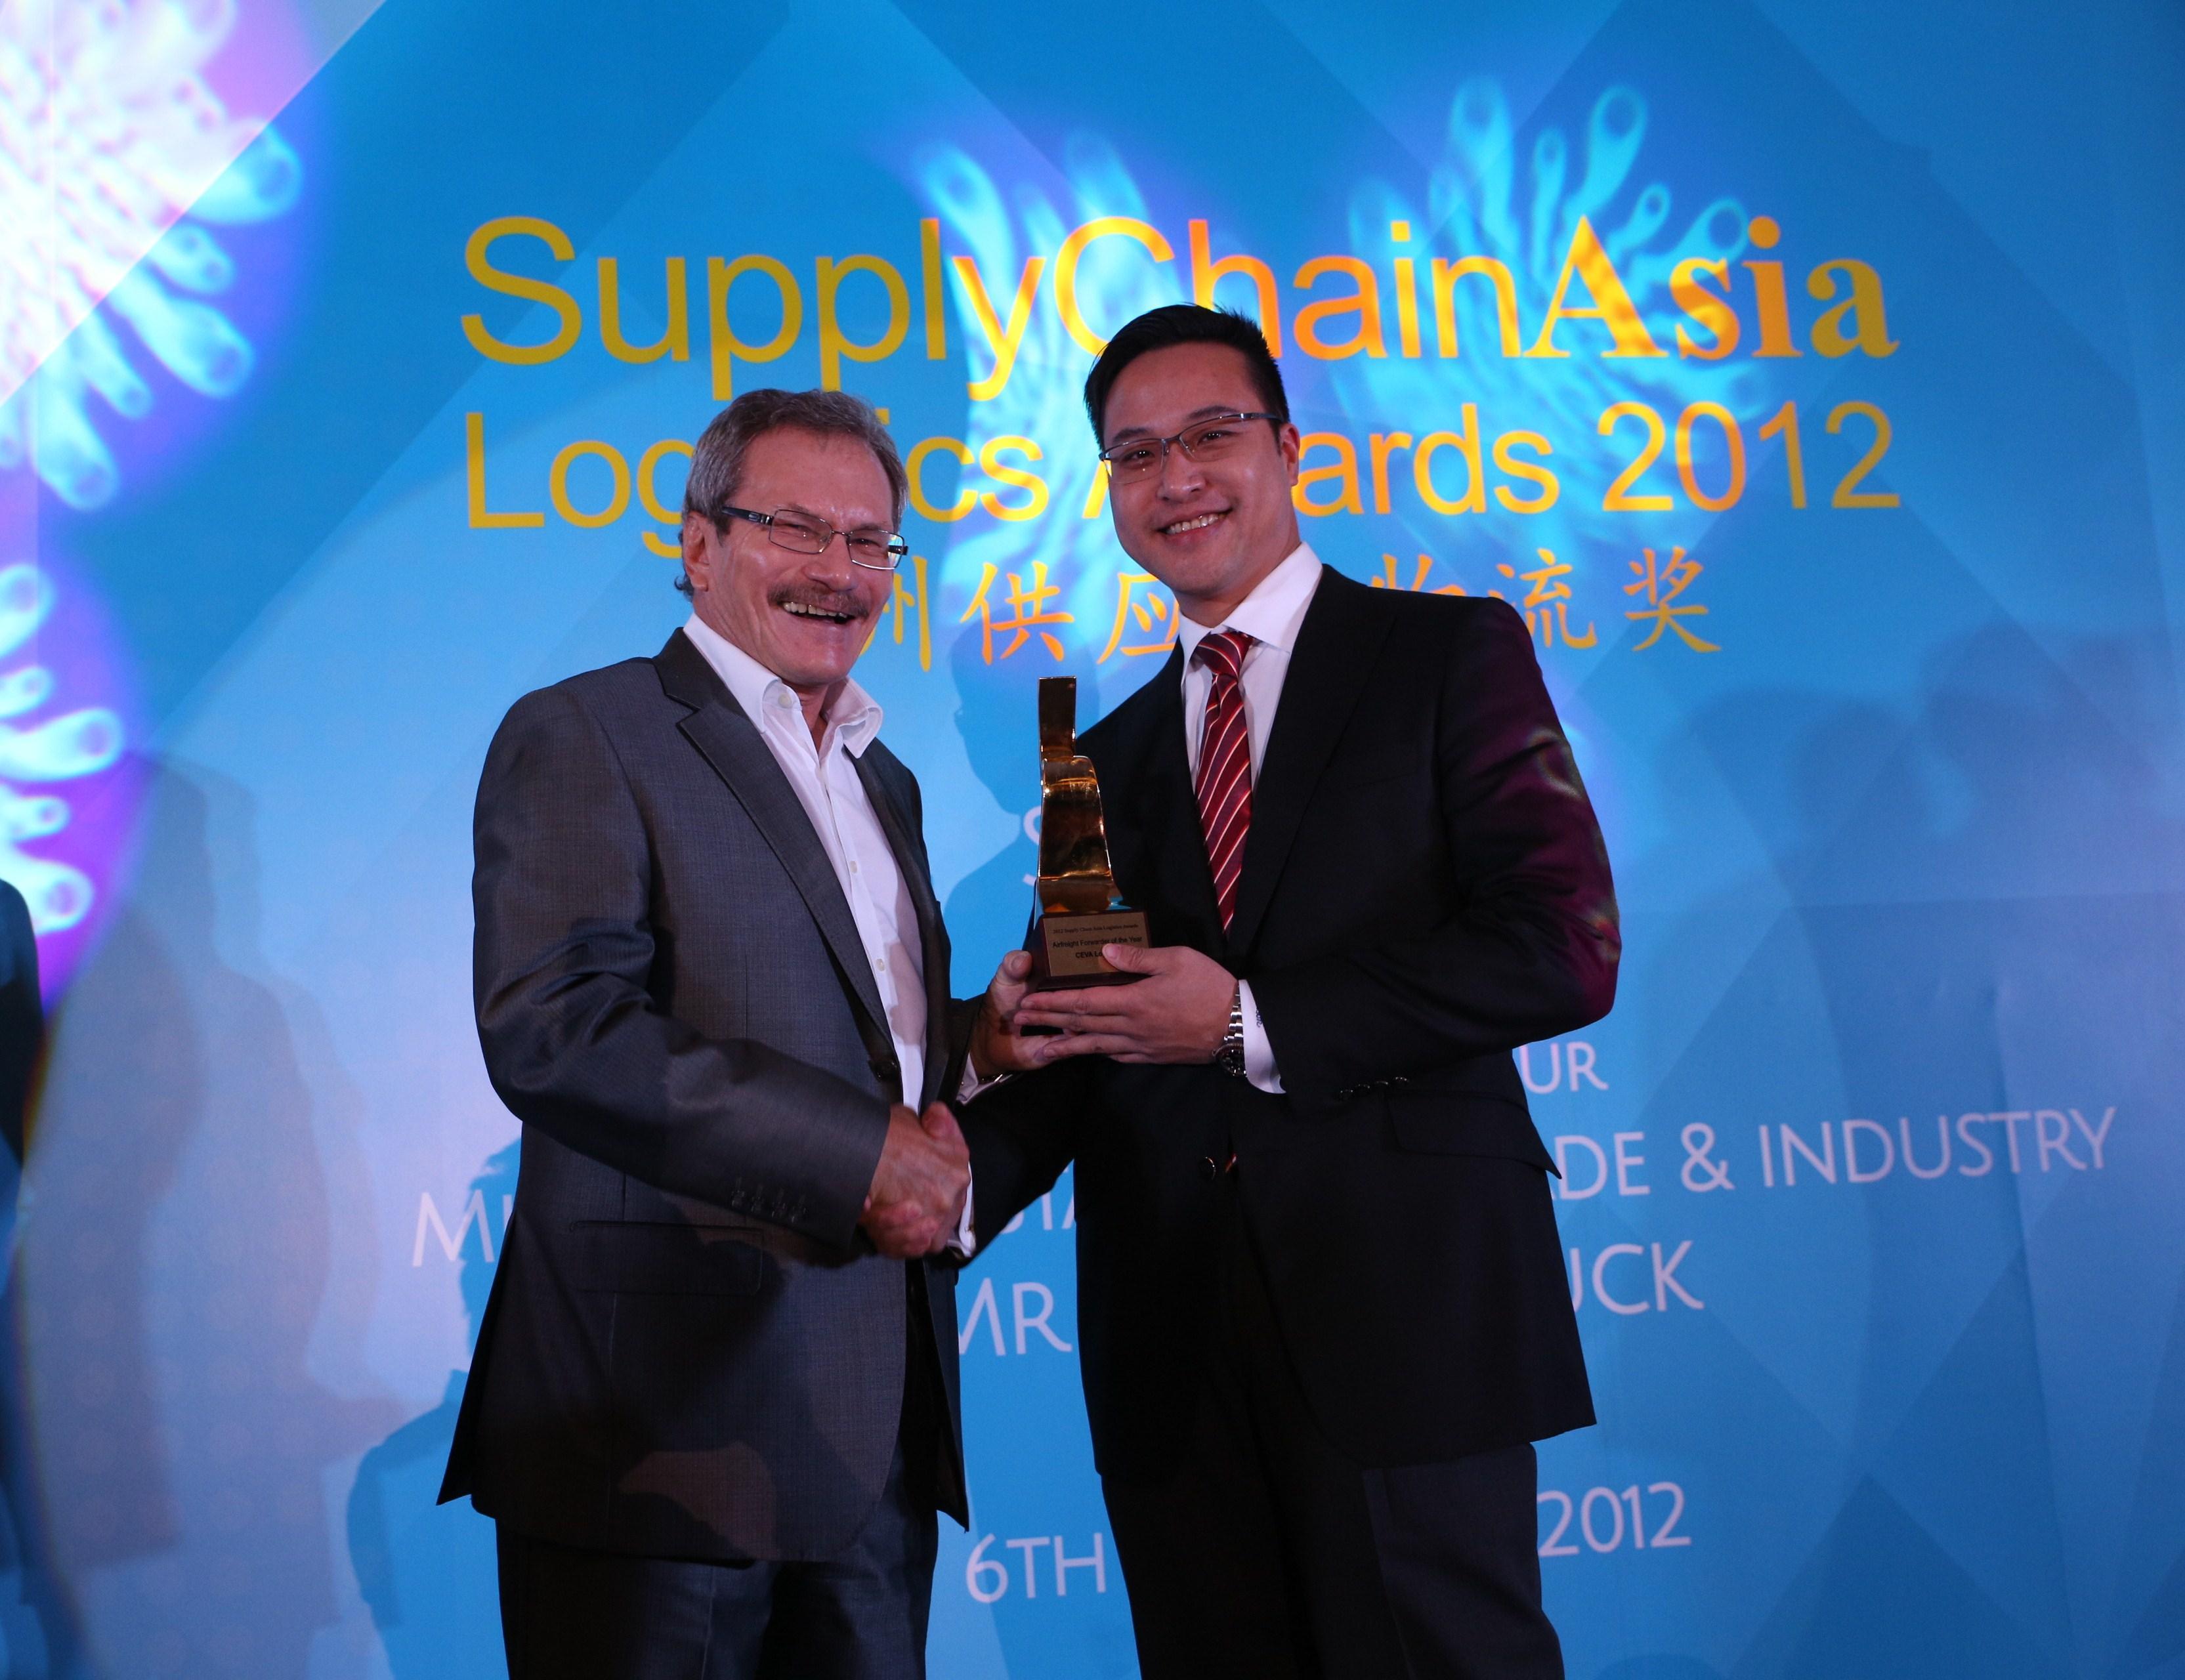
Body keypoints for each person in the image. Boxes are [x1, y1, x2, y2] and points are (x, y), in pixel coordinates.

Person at [962, 304, 1621, 1679]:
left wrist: (1244, 1023)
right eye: (1136, 453)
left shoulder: (1445, 653)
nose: (1177, 477)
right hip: (1173, 1346)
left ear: (1289, 448)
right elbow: (1083, 1048)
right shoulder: (1105, 757)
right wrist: (932, 1165)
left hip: (1402, 1313)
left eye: (1211, 434)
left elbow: (1561, 941)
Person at [440, 388, 987, 1679]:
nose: (837, 570)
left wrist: (988, 1046)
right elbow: (558, 1028)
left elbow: (865, 1048)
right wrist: (860, 1156)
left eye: (869, 541)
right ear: (698, 545)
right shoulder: (588, 731)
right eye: (795, 528)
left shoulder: (885, 777)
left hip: (872, 1442)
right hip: (662, 1444)